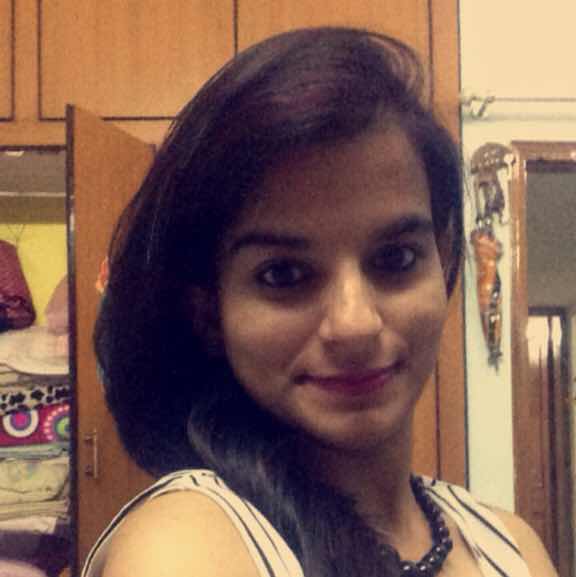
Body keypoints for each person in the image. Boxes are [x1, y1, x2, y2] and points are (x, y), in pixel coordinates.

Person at [81, 27, 557, 577]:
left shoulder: (511, 546)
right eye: (284, 274)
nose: (355, 324)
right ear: (209, 310)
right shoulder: (187, 547)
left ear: (444, 258)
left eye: (396, 258)